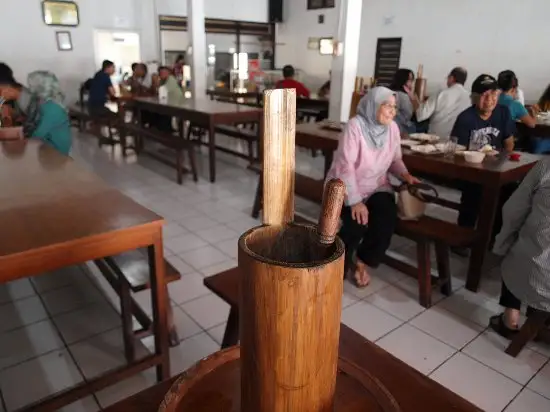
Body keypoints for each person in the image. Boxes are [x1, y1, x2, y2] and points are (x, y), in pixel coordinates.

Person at [326, 87, 419, 287]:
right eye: (387, 106)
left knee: (386, 217)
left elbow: (395, 160)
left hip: (376, 185)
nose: (392, 112)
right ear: (374, 105)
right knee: (355, 223)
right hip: (347, 186)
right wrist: (356, 201)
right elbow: (345, 166)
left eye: (395, 107)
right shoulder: (355, 126)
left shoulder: (392, 128)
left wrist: (405, 174)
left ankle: (362, 261)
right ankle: (336, 266)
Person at [450, 74, 516, 255]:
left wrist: (503, 160)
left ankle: (493, 239)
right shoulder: (466, 118)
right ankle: (462, 239)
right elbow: (457, 151)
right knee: (473, 192)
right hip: (473, 168)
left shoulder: (503, 112)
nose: (490, 100)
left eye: (494, 95)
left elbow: (509, 143)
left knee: (509, 193)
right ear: (474, 97)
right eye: (485, 95)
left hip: (498, 167)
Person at [490, 158, 550, 338]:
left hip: (537, 274)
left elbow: (513, 211)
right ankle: (542, 323)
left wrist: (501, 244)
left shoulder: (546, 166)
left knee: (518, 246)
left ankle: (510, 320)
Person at [0, 71, 71, 155]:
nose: (29, 89)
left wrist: (13, 135)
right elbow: (30, 126)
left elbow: (36, 135)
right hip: (43, 147)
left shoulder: (52, 108)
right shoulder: (41, 103)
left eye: (31, 86)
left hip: (55, 152)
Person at [416, 67, 470, 139]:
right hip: (457, 141)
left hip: (436, 139)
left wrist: (414, 100)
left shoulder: (441, 93)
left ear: (451, 78)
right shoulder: (470, 97)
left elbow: (421, 115)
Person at [389, 68, 419, 134]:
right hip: (399, 128)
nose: (412, 83)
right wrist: (413, 100)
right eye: (410, 80)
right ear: (402, 80)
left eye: (412, 80)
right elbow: (409, 114)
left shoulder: (390, 91)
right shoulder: (402, 95)